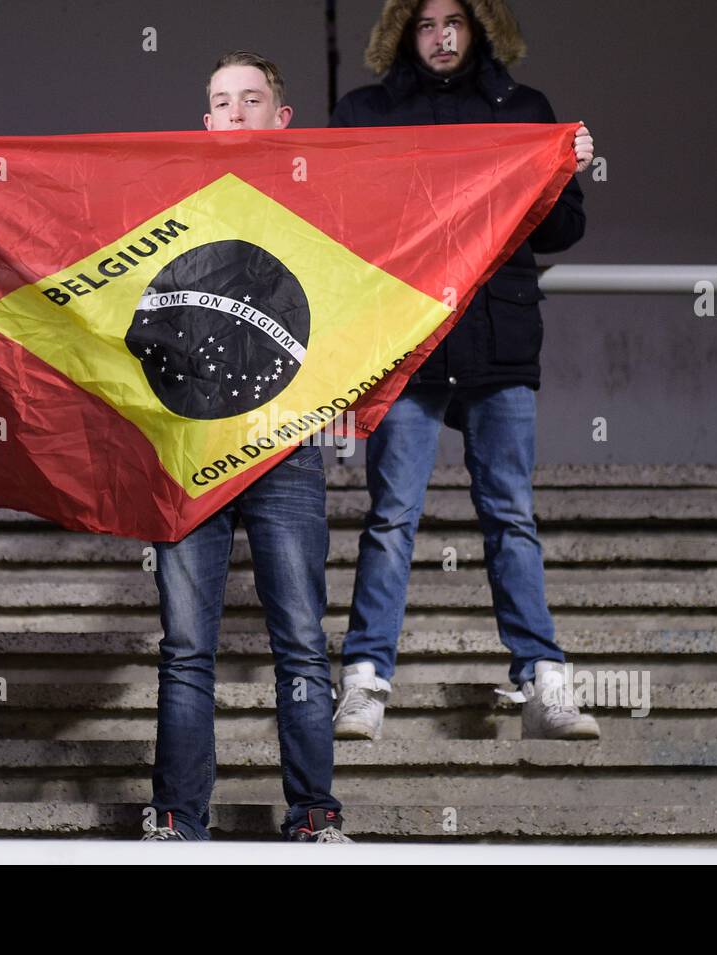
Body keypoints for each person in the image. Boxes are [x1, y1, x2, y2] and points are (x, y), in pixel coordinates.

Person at [330, 0, 601, 741]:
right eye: (425, 23)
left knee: (510, 513)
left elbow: (564, 229)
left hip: (497, 338)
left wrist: (561, 169)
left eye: (454, 20)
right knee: (391, 519)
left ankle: (544, 684)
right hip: (406, 342)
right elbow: (333, 219)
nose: (441, 36)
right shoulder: (364, 114)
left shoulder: (524, 110)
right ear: (402, 33)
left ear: (479, 26)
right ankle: (364, 682)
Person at [141, 51, 350, 843]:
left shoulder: (319, 197)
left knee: (299, 639)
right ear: (205, 119)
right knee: (187, 646)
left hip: (287, 443)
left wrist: (545, 163)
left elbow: (425, 203)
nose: (233, 114)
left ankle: (315, 815)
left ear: (280, 117)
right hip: (191, 444)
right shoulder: (170, 195)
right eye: (220, 101)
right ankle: (176, 818)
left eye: (250, 100)